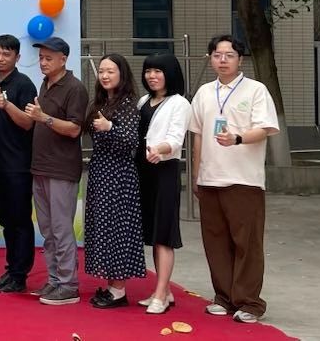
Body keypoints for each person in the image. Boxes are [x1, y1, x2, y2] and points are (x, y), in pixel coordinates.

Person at [187, 35, 279, 324]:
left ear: (240, 59)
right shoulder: (204, 93)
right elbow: (197, 136)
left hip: (244, 179)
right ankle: (224, 297)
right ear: (210, 59)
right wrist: (196, 174)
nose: (223, 60)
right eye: (217, 55)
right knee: (215, 242)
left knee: (246, 243)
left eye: (229, 55)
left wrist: (237, 138)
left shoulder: (256, 90)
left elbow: (264, 128)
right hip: (210, 178)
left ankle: (249, 302)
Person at [23, 36, 88, 305]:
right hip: (40, 166)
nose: (43, 62)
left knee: (61, 229)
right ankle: (54, 280)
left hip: (61, 168)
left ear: (63, 59)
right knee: (48, 230)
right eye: (41, 58)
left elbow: (74, 129)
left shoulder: (75, 88)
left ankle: (68, 284)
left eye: (48, 58)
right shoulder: (45, 84)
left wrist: (44, 118)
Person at [82, 54, 146, 309]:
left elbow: (132, 141)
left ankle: (119, 290)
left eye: (111, 71)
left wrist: (110, 127)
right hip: (100, 171)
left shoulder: (128, 103)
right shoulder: (101, 102)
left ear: (122, 74)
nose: (105, 75)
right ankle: (111, 286)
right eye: (102, 71)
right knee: (103, 228)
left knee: (118, 229)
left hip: (119, 175)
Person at [0, 35, 38, 293]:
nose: (0, 58)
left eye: (6, 54)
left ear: (17, 57)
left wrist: (7, 105)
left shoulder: (24, 84)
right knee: (6, 220)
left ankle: (20, 275)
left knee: (20, 220)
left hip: (18, 166)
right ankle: (11, 269)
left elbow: (28, 123)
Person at [136, 53, 190, 314]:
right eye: (148, 71)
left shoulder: (179, 103)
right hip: (143, 170)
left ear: (170, 74)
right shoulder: (143, 101)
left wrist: (160, 149)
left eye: (158, 71)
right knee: (153, 232)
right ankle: (165, 290)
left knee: (164, 234)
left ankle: (160, 294)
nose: (152, 76)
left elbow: (176, 139)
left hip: (165, 170)